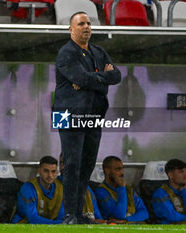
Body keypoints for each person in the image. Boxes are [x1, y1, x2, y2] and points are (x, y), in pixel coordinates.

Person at [53, 11, 121, 224]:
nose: (86, 27)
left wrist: (91, 79)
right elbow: (80, 77)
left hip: (93, 113)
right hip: (67, 113)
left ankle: (78, 212)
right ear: (71, 29)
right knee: (73, 163)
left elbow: (116, 76)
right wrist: (102, 77)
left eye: (89, 23)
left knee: (87, 164)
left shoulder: (99, 51)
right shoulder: (66, 53)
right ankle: (69, 214)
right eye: (81, 24)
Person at [94, 156, 149, 224]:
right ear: (107, 171)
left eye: (123, 169)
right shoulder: (101, 191)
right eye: (118, 169)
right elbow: (119, 215)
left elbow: (144, 213)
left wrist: (126, 220)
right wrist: (121, 188)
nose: (122, 173)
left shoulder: (129, 189)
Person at [12, 156, 64, 224]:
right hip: (24, 227)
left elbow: (62, 216)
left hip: (49, 228)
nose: (50, 175)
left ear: (57, 172)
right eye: (46, 171)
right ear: (39, 170)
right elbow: (32, 219)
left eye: (53, 171)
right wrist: (58, 224)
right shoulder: (29, 188)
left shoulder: (60, 188)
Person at [57, 153, 106, 224]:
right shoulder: (55, 186)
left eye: (69, 163)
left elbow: (98, 217)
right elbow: (62, 218)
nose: (65, 167)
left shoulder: (87, 189)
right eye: (62, 163)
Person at [152, 159, 186, 224]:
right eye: (181, 171)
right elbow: (171, 216)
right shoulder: (160, 193)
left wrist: (185, 192)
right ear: (170, 175)